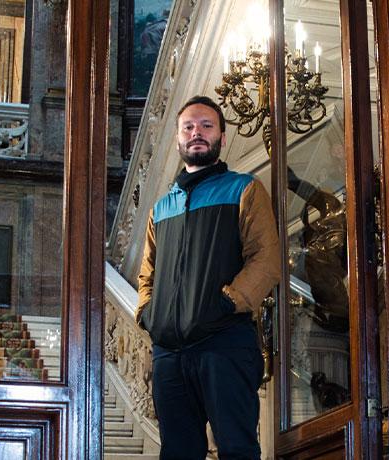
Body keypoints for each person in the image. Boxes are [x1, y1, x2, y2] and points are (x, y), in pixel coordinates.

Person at [135, 95, 281, 459]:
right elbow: (147, 273)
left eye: (206, 126)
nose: (196, 133)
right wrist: (148, 314)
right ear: (178, 139)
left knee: (236, 449)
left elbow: (267, 260)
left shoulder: (244, 189)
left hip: (225, 342)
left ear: (222, 138)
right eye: (188, 127)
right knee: (177, 452)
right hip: (169, 352)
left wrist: (225, 304)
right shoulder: (160, 208)